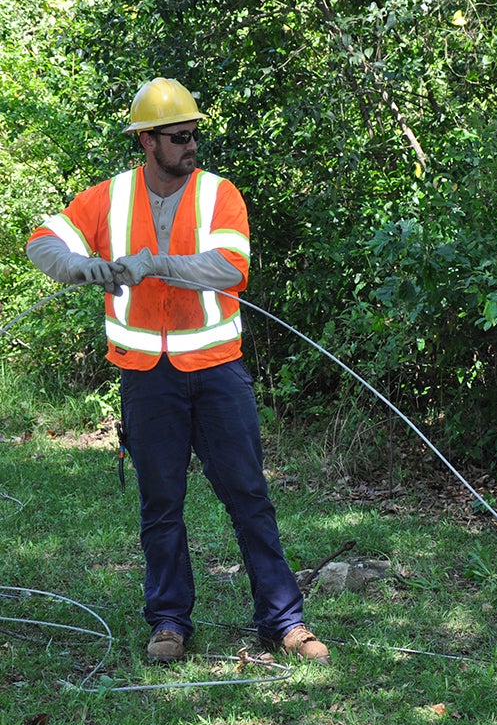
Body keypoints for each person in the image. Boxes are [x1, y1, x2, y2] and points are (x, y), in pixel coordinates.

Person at [26, 77, 329, 665]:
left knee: (248, 496)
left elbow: (228, 267)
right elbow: (44, 241)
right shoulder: (107, 198)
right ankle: (169, 621)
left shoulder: (219, 193)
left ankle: (283, 621)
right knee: (160, 503)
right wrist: (82, 267)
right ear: (147, 142)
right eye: (178, 137)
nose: (191, 146)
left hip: (217, 372)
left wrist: (153, 264)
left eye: (194, 135)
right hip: (147, 376)